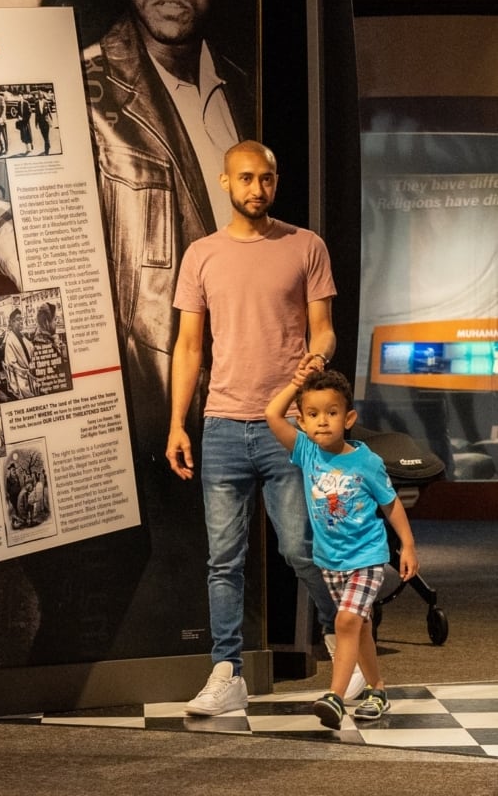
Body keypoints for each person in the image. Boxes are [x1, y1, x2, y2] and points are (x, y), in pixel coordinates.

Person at [0, 0, 253, 455]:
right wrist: (17, 1)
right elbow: (3, 177)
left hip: (247, 416)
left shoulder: (245, 90)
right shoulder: (86, 86)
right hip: (147, 436)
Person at [166, 140, 363, 715]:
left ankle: (343, 649)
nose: (258, 189)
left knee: (304, 546)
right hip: (224, 422)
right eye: (247, 178)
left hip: (288, 427)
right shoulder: (201, 254)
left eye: (268, 179)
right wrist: (178, 423)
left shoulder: (306, 246)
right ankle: (226, 673)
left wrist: (317, 359)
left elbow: (322, 329)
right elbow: (188, 347)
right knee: (223, 560)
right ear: (226, 182)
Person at [265, 368, 419, 729]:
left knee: (346, 621)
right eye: (313, 415)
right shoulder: (305, 451)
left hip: (367, 557)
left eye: (331, 413)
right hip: (330, 560)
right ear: (301, 421)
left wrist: (408, 545)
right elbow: (273, 414)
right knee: (359, 627)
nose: (322, 422)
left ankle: (334, 696)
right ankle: (378, 691)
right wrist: (295, 384)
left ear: (348, 418)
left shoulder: (366, 461)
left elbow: (391, 504)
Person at [3, 308, 36, 398]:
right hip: (21, 376)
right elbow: (12, 363)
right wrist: (26, 371)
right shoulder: (10, 340)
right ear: (12, 322)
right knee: (30, 390)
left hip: (30, 371)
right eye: (18, 319)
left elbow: (31, 348)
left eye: (21, 319)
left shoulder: (21, 336)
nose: (21, 321)